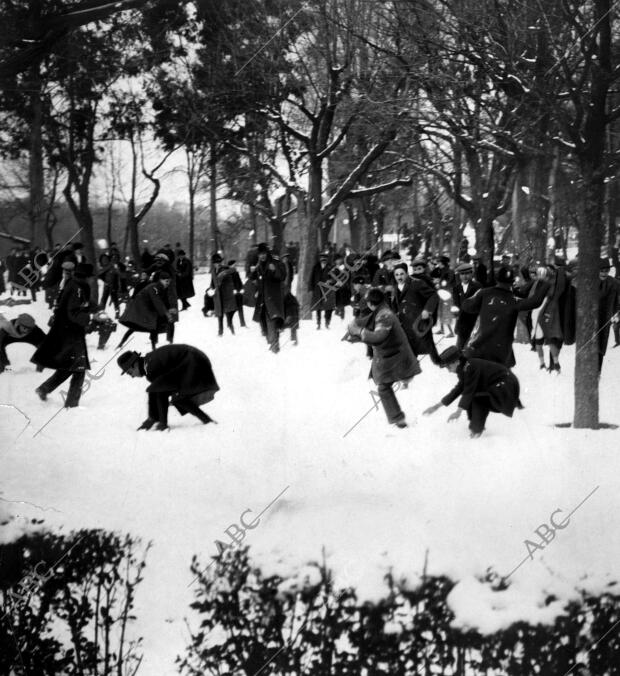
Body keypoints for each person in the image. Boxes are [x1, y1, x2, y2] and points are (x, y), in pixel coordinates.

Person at [346, 288, 421, 428]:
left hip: (395, 358)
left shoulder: (384, 315)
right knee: (384, 385)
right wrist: (355, 327)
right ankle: (399, 418)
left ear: (369, 303)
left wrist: (359, 331)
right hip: (391, 356)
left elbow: (378, 336)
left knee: (383, 387)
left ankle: (399, 419)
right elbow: (367, 321)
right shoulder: (381, 311)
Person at [423, 345, 523, 438]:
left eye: (448, 367)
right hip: (503, 385)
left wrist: (458, 412)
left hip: (506, 387)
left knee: (477, 398)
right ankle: (475, 426)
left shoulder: (470, 367)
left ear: (456, 361)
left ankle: (476, 430)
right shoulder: (465, 367)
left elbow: (468, 391)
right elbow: (459, 389)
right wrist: (436, 406)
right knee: (472, 397)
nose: (448, 370)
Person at [32, 262, 93, 407]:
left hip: (66, 331)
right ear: (86, 277)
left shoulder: (71, 284)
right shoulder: (78, 288)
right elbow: (73, 312)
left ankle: (44, 389)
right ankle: (72, 404)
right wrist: (89, 318)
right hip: (71, 333)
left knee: (71, 366)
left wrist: (91, 308)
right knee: (78, 368)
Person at [118, 344, 219, 430]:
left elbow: (161, 392)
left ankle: (207, 420)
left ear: (134, 365)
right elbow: (157, 390)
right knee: (176, 396)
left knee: (179, 397)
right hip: (192, 360)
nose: (132, 376)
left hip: (194, 361)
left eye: (130, 373)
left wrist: (161, 422)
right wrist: (153, 418)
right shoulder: (149, 363)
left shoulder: (151, 366)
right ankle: (207, 420)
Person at [461, 267, 547, 367]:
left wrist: (480, 305)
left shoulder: (484, 293)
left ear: (497, 280)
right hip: (501, 352)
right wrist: (545, 284)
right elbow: (535, 302)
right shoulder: (513, 300)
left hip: (478, 348)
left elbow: (466, 306)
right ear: (512, 282)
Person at [391, 263, 440, 363]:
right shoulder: (395, 288)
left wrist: (427, 310)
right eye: (397, 275)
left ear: (407, 273)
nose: (399, 277)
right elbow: (395, 305)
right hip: (404, 323)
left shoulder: (417, 283)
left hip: (419, 321)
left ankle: (438, 362)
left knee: (428, 345)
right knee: (409, 345)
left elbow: (433, 296)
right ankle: (411, 365)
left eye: (402, 274)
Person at [118, 271, 175, 350]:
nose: (168, 283)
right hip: (141, 309)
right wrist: (166, 313)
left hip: (148, 309)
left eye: (169, 281)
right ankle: (121, 343)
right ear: (160, 280)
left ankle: (158, 346)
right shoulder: (154, 287)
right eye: (166, 281)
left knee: (153, 326)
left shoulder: (160, 288)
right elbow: (157, 301)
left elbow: (162, 301)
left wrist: (167, 310)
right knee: (136, 326)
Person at [250, 243, 285, 352]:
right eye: (260, 254)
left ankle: (275, 347)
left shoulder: (275, 262)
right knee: (263, 324)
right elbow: (253, 280)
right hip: (262, 300)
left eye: (264, 253)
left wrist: (274, 270)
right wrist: (252, 272)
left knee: (272, 321)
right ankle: (272, 343)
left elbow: (283, 276)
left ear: (267, 253)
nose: (262, 256)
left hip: (273, 299)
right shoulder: (258, 265)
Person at [452, 262, 482, 349]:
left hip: (474, 320)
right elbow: (456, 304)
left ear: (471, 274)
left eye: (467, 274)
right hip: (462, 321)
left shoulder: (477, 286)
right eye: (462, 274)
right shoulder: (457, 288)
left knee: (472, 345)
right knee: (460, 345)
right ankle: (460, 360)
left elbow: (480, 303)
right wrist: (456, 314)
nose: (464, 277)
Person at [598, 259, 620, 372]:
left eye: (606, 271)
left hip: (606, 317)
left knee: (602, 344)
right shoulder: (590, 282)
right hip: (593, 318)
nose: (604, 273)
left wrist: (617, 313)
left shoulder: (615, 283)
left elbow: (618, 301)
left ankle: (598, 371)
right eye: (601, 271)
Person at [209, 254, 238, 336]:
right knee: (219, 314)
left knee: (228, 314)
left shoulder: (225, 268)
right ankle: (220, 331)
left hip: (227, 295)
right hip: (218, 296)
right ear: (213, 263)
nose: (217, 264)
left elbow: (233, 269)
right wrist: (210, 288)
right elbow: (212, 282)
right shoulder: (213, 271)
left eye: (219, 262)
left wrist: (224, 273)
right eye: (215, 262)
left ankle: (232, 329)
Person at [309, 252, 336, 329]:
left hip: (328, 290)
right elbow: (312, 278)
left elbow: (336, 278)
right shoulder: (315, 267)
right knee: (318, 307)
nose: (323, 260)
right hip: (318, 290)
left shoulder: (331, 267)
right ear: (320, 259)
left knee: (329, 307)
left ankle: (327, 322)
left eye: (325, 258)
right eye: (322, 258)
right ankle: (318, 323)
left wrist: (331, 281)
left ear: (327, 259)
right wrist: (311, 288)